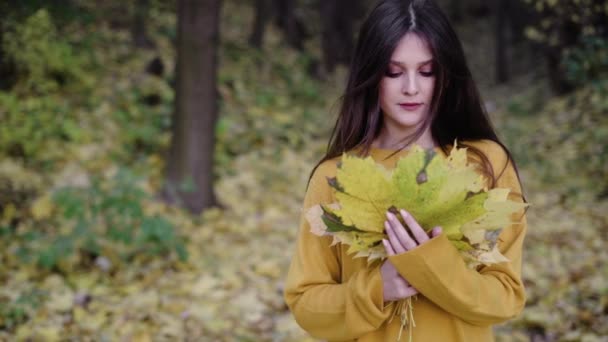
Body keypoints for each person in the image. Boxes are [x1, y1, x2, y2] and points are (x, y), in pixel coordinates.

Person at [283, 0, 528, 341]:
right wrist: (377, 288)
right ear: (371, 76)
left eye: (426, 71)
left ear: (445, 76)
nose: (411, 87)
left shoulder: (484, 164)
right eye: (394, 72)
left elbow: (504, 299)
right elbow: (306, 305)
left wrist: (428, 264)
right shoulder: (336, 175)